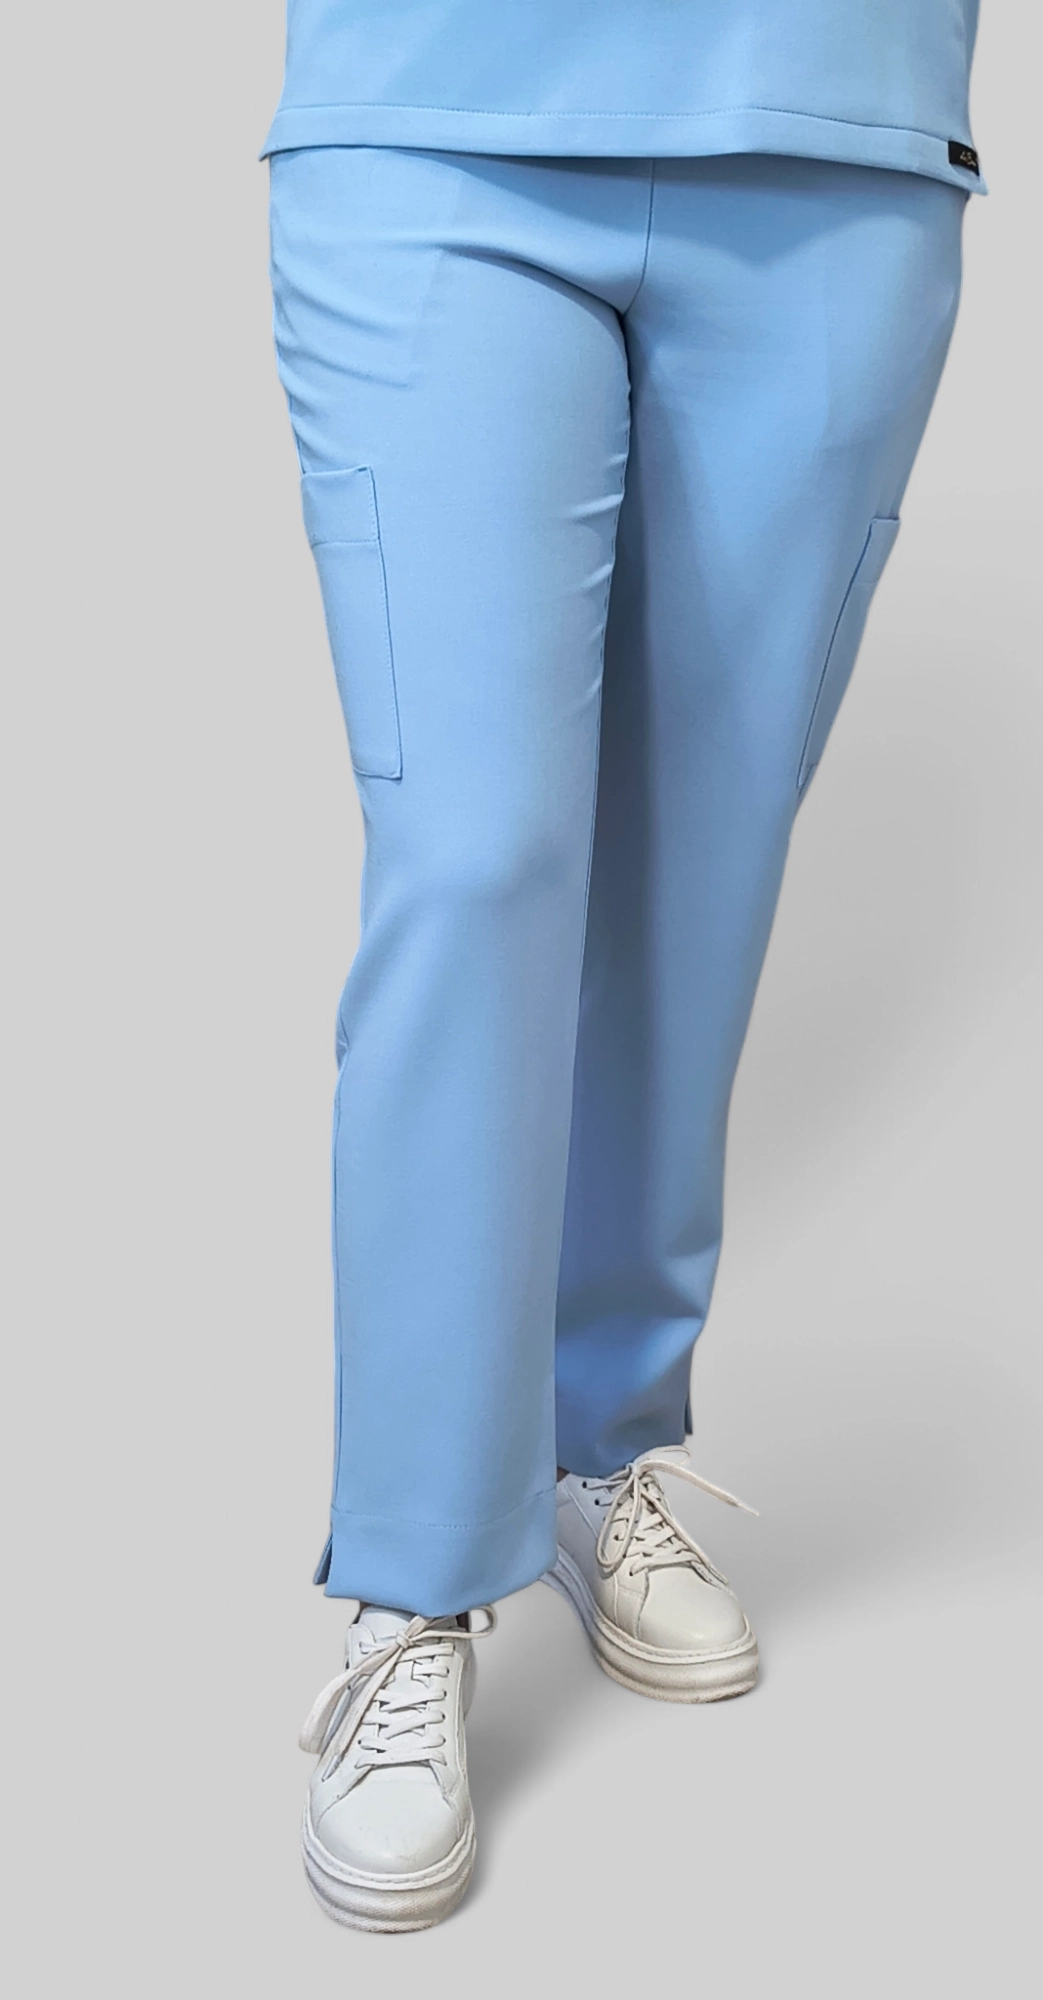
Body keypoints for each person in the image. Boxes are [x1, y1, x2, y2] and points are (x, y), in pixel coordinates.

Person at [263, 0, 985, 1933]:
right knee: (477, 859)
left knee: (701, 871)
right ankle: (415, 1579)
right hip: (435, 125)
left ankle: (605, 1443)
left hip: (836, 137)